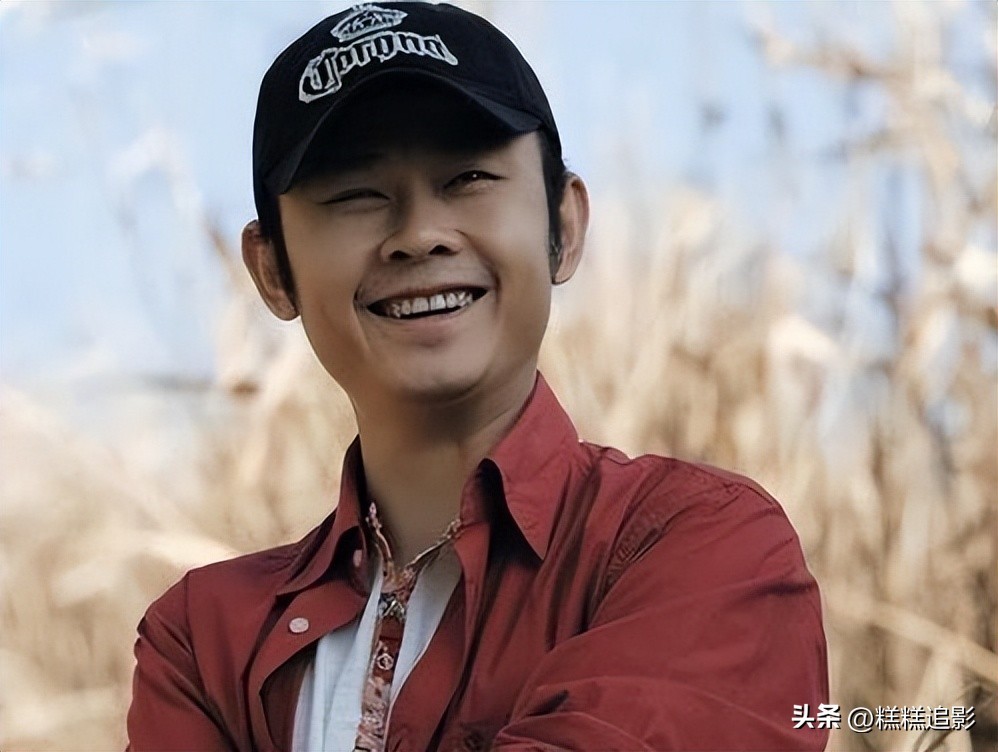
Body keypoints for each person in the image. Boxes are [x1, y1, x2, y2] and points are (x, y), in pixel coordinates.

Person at [126, 3, 829, 750]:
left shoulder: (700, 546)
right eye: (356, 194)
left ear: (564, 227)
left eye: (468, 177)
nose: (419, 234)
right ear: (273, 270)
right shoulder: (202, 642)